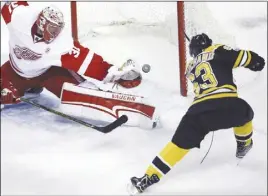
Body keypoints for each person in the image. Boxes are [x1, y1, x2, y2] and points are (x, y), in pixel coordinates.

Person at [128, 33, 265, 193]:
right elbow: (250, 59)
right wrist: (256, 62)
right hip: (227, 104)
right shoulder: (218, 50)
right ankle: (244, 145)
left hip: (199, 111)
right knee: (245, 113)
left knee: (177, 144)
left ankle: (148, 176)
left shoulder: (190, 66)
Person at [1, 2, 156, 126]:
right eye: (52, 28)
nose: (56, 33)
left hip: (47, 74)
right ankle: (26, 88)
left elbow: (86, 60)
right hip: (14, 73)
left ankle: (117, 106)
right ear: (41, 23)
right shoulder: (18, 17)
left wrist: (113, 74)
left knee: (79, 92)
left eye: (58, 29)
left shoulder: (61, 43)